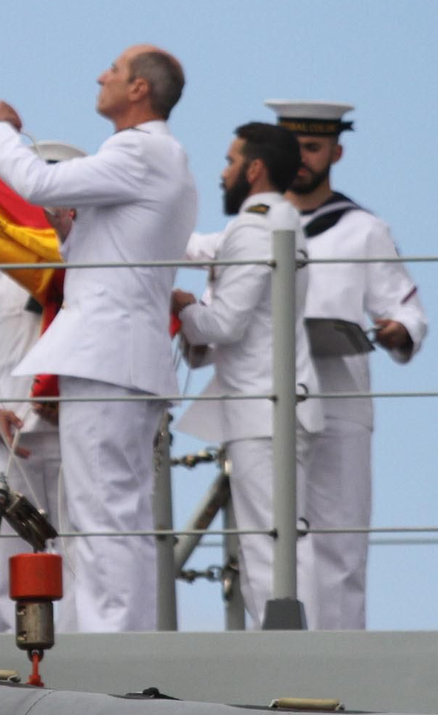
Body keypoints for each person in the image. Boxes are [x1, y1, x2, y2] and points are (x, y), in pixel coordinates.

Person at [0, 44, 196, 632]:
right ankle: (120, 641)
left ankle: (112, 650)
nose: (101, 75)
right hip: (122, 358)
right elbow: (109, 258)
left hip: (108, 361)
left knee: (102, 515)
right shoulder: (161, 159)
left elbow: (32, 179)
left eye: (115, 71)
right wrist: (73, 233)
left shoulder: (139, 151)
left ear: (139, 91)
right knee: (108, 512)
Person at [266, 99, 428, 630]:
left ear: (335, 151)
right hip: (268, 396)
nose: (302, 158)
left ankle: (338, 662)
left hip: (339, 398)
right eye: (293, 148)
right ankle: (275, 663)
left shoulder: (363, 228)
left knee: (340, 540)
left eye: (313, 148)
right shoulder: (256, 224)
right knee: (268, 539)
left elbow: (404, 307)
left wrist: (398, 328)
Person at [172, 122, 324, 626]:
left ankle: (291, 664)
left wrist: (185, 307)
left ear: (254, 168)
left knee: (269, 549)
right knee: (278, 544)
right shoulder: (274, 219)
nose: (223, 172)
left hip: (264, 414)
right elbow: (199, 248)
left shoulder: (255, 226)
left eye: (230, 160)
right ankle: (295, 655)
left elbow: (223, 324)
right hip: (272, 408)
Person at [0, 140, 82, 632]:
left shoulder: (99, 270)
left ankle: (85, 671)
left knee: (84, 562)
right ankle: (12, 677)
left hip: (80, 436)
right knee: (9, 568)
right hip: (11, 444)